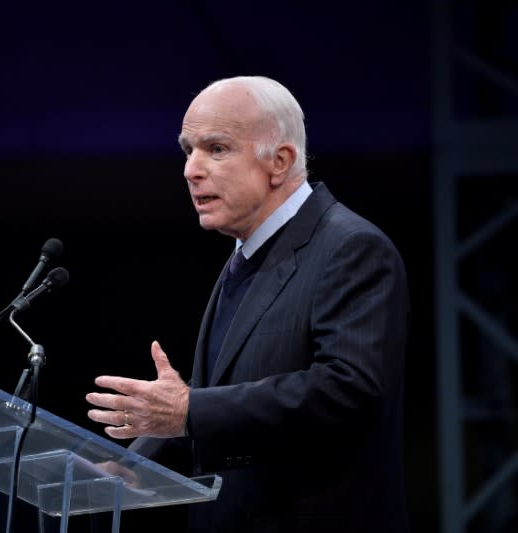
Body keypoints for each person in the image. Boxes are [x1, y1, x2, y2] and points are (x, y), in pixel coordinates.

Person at [85, 76, 409, 532]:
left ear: (280, 161)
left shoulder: (350, 248)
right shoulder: (247, 254)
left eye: (216, 149)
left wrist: (189, 410)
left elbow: (348, 391)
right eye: (188, 150)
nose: (191, 170)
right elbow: (238, 387)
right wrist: (132, 462)